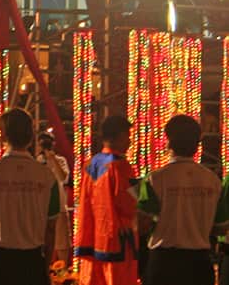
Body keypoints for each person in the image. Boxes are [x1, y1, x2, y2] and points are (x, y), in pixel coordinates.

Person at [0, 109, 60, 285]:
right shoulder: (47, 177)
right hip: (32, 259)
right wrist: (45, 265)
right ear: (31, 136)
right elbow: (50, 228)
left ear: (2, 136)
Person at [137, 114, 229, 285]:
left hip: (163, 264)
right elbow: (221, 227)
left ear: (169, 142)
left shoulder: (154, 179)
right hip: (199, 265)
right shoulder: (213, 181)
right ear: (196, 146)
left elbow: (143, 223)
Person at [74, 115, 137, 285]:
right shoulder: (121, 166)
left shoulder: (90, 164)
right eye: (128, 136)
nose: (130, 141)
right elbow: (129, 204)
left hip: (91, 239)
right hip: (117, 241)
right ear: (121, 135)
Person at [35, 131, 70, 264]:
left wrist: (53, 159)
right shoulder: (36, 161)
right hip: (41, 207)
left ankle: (63, 271)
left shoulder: (60, 160)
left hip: (59, 205)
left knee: (62, 242)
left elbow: (63, 178)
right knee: (42, 242)